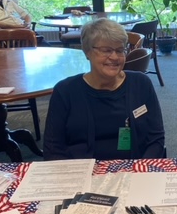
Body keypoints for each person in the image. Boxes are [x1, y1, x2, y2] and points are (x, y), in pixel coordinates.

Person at [43, 18, 165, 160]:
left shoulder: (141, 84)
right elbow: (53, 149)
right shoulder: (65, 91)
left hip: (134, 171)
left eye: (120, 50)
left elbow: (156, 138)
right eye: (106, 50)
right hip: (83, 174)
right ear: (87, 51)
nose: (114, 57)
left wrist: (142, 169)